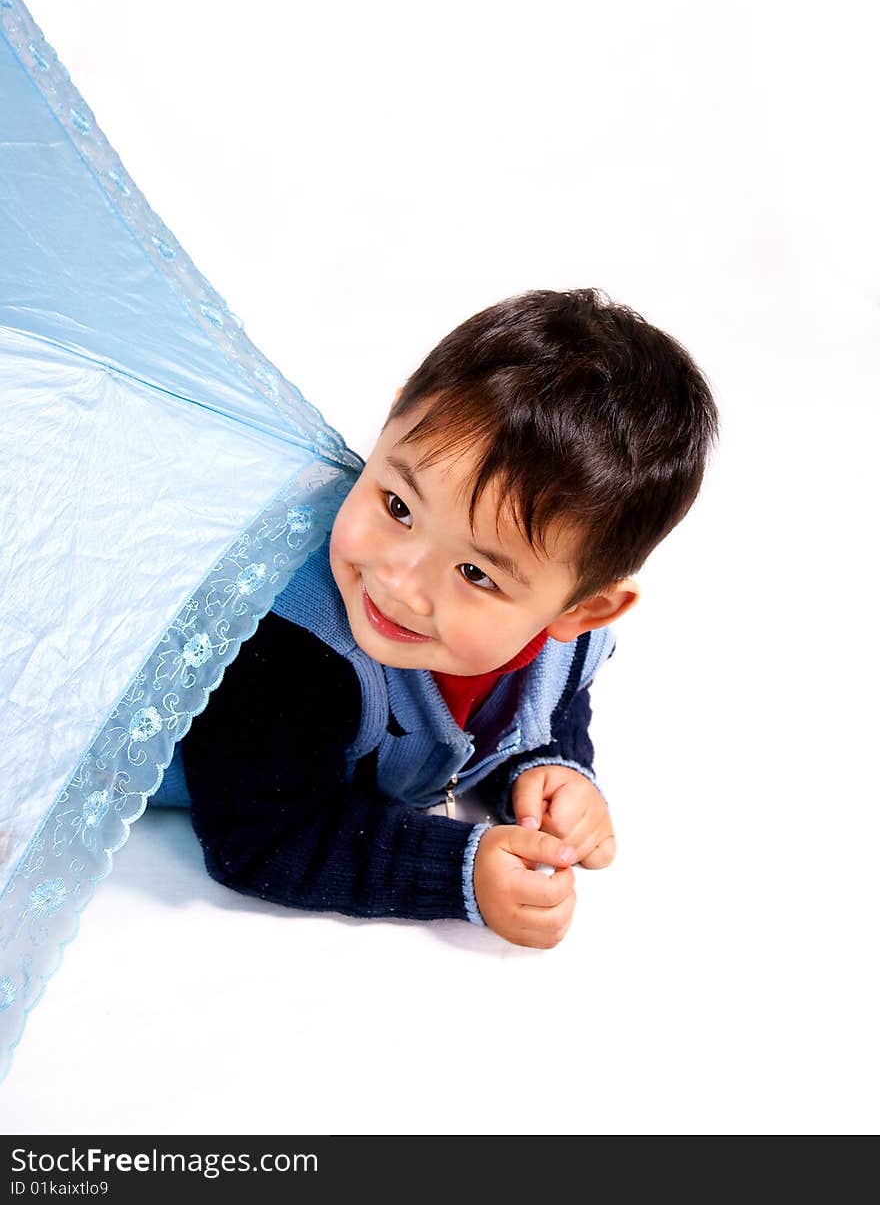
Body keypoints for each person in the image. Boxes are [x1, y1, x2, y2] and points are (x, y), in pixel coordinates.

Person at [149, 288, 719, 947]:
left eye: (476, 574)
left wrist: (549, 767)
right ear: (392, 424)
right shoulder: (290, 642)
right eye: (397, 506)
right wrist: (458, 869)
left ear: (582, 610)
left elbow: (544, 702)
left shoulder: (562, 646)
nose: (398, 583)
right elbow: (261, 834)